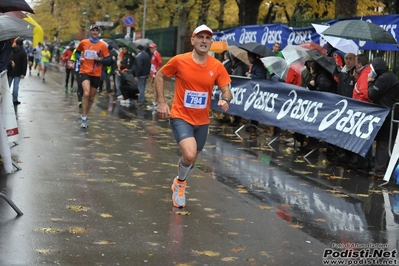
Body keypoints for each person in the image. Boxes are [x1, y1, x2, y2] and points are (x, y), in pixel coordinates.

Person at [155, 24, 232, 208]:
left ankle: (178, 182)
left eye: (207, 38)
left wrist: (225, 99)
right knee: (189, 155)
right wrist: (162, 102)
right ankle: (180, 184)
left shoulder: (217, 66)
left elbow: (226, 90)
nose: (204, 41)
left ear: (211, 42)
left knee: (193, 160)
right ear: (193, 40)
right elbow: (159, 76)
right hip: (181, 116)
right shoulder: (179, 61)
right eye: (200, 37)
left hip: (202, 120)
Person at [368, 57, 399, 177]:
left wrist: (370, 81)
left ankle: (380, 170)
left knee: (384, 141)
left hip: (387, 113)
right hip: (390, 112)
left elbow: (372, 94)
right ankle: (385, 168)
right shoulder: (389, 76)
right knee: (387, 141)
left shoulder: (384, 78)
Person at [75, 24, 111, 128]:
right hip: (84, 71)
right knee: (86, 93)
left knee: (91, 97)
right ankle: (84, 117)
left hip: (96, 73)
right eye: (93, 30)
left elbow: (108, 60)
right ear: (90, 32)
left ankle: (85, 114)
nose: (94, 32)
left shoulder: (102, 45)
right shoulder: (84, 42)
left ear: (98, 32)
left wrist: (99, 59)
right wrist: (79, 58)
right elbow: (77, 53)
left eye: (96, 31)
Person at [7, 38, 27, 105]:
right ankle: (15, 99)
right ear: (22, 44)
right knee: (16, 85)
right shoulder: (23, 52)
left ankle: (5, 97)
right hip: (18, 71)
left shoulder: (11, 50)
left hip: (10, 70)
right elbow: (24, 63)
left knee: (8, 85)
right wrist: (23, 73)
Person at [149, 43, 162, 110]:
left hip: (155, 74)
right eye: (150, 48)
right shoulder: (153, 55)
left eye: (152, 48)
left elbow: (160, 62)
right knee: (154, 88)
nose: (151, 49)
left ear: (155, 48)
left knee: (155, 89)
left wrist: (156, 70)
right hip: (152, 73)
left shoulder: (157, 54)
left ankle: (155, 102)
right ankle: (155, 102)